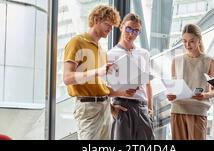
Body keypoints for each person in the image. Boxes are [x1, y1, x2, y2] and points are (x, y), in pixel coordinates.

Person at [63, 5, 135, 140]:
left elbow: (99, 85)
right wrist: (98, 71)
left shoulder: (102, 50)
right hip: (87, 107)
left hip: (105, 106)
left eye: (112, 26)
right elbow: (67, 78)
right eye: (107, 24)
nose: (110, 28)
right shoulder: (77, 42)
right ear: (96, 20)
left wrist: (122, 93)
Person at [166, 24, 214, 140]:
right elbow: (173, 87)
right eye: (184, 41)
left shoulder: (210, 61)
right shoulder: (176, 60)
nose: (187, 45)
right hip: (177, 109)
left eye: (191, 41)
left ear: (199, 39)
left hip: (198, 111)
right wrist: (171, 94)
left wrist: (205, 95)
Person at [107, 13, 155, 140]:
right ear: (122, 26)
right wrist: (111, 109)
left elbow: (148, 84)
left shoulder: (143, 54)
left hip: (142, 107)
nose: (131, 34)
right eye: (128, 28)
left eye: (136, 31)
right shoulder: (110, 55)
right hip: (122, 107)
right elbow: (103, 87)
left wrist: (150, 109)